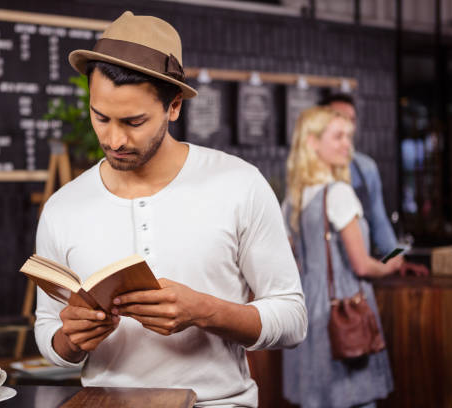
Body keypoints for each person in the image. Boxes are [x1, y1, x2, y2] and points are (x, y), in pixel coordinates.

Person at [33, 11, 307, 407]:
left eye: (133, 121)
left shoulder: (239, 184)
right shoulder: (63, 207)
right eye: (100, 117)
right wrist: (70, 340)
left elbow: (293, 320)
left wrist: (204, 311)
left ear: (174, 105)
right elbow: (49, 335)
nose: (113, 139)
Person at [282, 106, 399, 408]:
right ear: (311, 142)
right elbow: (362, 264)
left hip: (307, 305)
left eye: (348, 136)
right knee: (355, 398)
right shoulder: (338, 194)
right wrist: (392, 263)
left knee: (319, 398)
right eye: (338, 136)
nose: (347, 144)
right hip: (342, 304)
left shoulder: (294, 198)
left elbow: (290, 259)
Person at [319, 93, 428, 276]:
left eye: (351, 120)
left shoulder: (366, 168)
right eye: (340, 119)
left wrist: (398, 260)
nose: (348, 126)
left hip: (357, 278)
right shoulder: (308, 177)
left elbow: (380, 222)